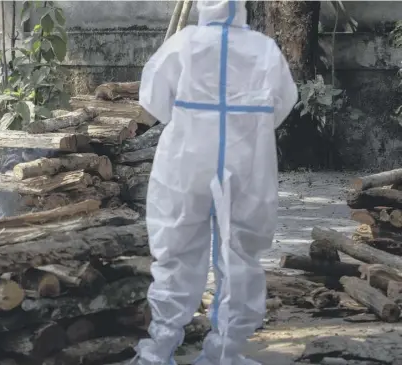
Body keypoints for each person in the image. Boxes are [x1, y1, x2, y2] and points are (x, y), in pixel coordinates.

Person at [132, 1, 298, 365]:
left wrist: (195, 114)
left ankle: (158, 351)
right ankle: (226, 352)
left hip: (186, 163)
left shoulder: (183, 43)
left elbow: (153, 100)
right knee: (240, 254)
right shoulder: (264, 49)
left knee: (175, 250)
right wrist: (246, 122)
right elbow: (284, 104)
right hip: (246, 164)